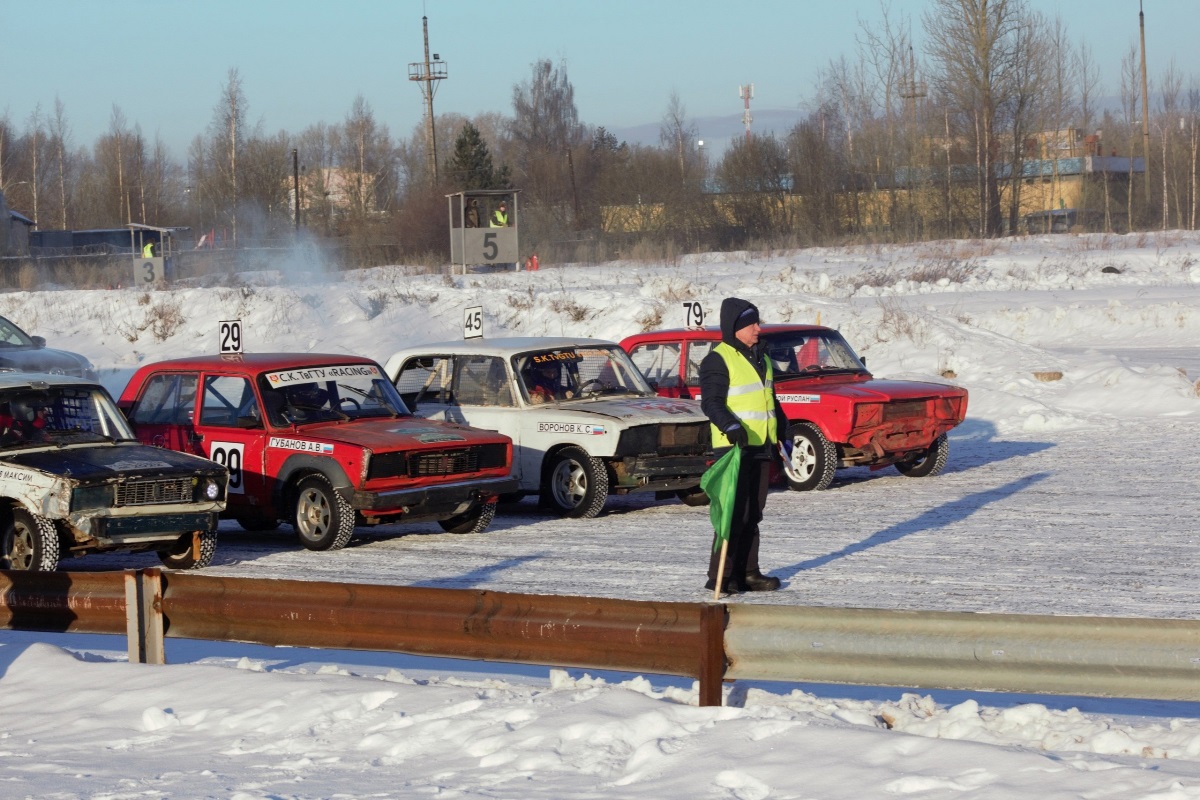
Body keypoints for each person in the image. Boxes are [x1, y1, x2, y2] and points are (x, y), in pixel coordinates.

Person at [698, 297, 784, 593]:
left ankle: (749, 572)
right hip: (732, 448)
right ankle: (720, 576)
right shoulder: (717, 359)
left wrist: (783, 431)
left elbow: (770, 400)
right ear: (736, 327)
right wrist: (731, 426)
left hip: (760, 447)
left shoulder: (762, 357)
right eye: (752, 324)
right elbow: (711, 403)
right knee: (732, 513)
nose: (758, 329)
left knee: (753, 512)